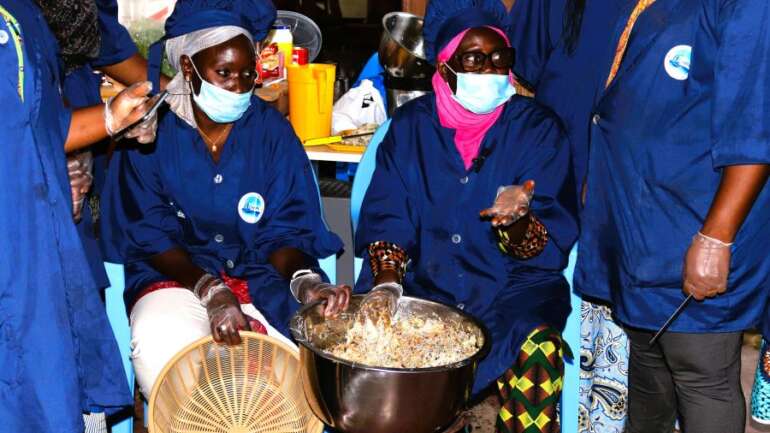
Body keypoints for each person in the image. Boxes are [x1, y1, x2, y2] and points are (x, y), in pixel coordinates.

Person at [100, 0, 351, 400]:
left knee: (291, 380)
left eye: (248, 74)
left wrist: (305, 282)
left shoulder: (270, 133)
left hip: (260, 276)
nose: (238, 87)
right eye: (224, 73)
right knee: (164, 351)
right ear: (188, 68)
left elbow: (286, 228)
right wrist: (211, 290)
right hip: (178, 278)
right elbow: (147, 233)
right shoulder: (150, 133)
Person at [354, 0, 579, 431]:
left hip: (513, 291)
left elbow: (546, 245)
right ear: (444, 67)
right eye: (474, 59)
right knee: (377, 345)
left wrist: (517, 222)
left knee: (537, 351)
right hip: (424, 288)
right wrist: (387, 283)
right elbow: (388, 212)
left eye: (500, 58)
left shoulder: (538, 129)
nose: (490, 70)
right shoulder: (410, 128)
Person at [570, 0, 770, 431]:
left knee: (701, 372)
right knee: (648, 364)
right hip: (644, 226)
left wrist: (715, 238)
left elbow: (756, 128)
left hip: (695, 223)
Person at [0, 0, 155, 432]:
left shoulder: (24, 16)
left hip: (40, 241)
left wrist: (110, 118)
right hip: (13, 234)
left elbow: (41, 124)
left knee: (52, 379)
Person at [504, 0, 632, 431]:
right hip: (556, 176)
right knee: (549, 321)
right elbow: (523, 74)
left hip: (629, 186)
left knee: (622, 334)